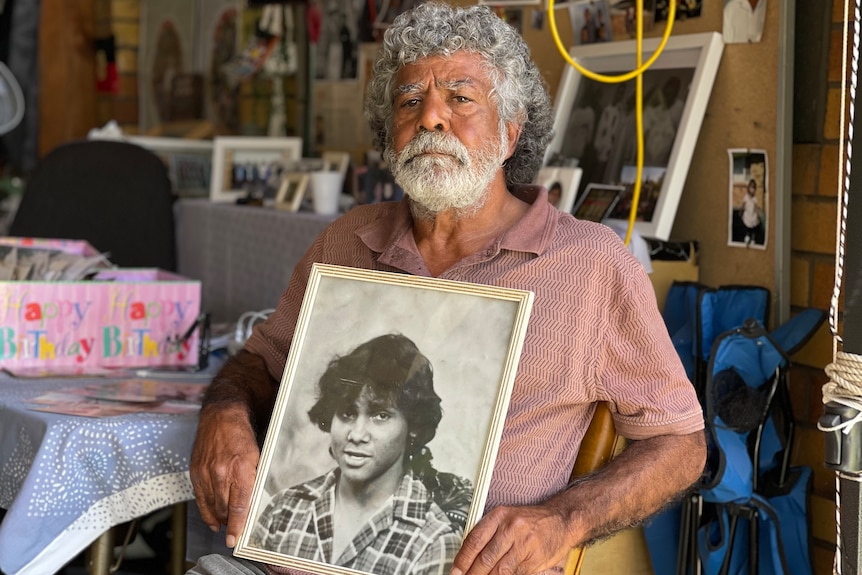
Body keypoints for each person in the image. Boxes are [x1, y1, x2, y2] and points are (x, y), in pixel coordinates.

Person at [187, 4, 706, 575]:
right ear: (390, 135)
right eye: (410, 101)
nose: (432, 117)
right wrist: (226, 413)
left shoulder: (590, 266)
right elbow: (259, 364)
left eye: (461, 98)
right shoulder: (346, 242)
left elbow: (679, 444)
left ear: (511, 132)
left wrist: (564, 520)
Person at [247, 333, 469, 575]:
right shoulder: (285, 508)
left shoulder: (434, 540)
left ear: (413, 427)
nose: (356, 434)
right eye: (347, 413)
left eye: (380, 415)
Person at [739, 178, 762, 246]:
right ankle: (747, 237)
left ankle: (752, 239)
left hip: (753, 215)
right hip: (747, 214)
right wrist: (741, 211)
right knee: (747, 227)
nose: (752, 190)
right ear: (748, 188)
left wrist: (757, 215)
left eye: (754, 188)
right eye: (751, 188)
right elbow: (743, 205)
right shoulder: (746, 197)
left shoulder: (755, 198)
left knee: (753, 228)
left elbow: (756, 207)